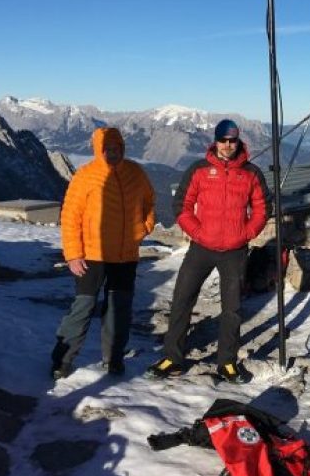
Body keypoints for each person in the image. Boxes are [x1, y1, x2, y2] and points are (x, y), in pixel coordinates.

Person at [146, 119, 270, 384]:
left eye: (232, 140)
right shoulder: (199, 169)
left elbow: (262, 208)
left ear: (238, 142)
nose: (227, 145)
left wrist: (245, 234)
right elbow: (181, 205)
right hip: (201, 248)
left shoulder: (251, 173)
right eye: (223, 140)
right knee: (182, 299)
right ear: (215, 141)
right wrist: (198, 232)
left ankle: (227, 363)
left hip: (234, 251)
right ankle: (173, 358)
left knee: (232, 309)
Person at [51, 127, 156, 379]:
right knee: (83, 307)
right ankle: (61, 361)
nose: (113, 152)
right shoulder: (85, 175)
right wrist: (73, 254)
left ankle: (114, 359)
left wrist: (144, 227)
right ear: (98, 150)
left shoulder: (135, 172)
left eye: (116, 148)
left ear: (122, 148)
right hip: (91, 256)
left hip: (125, 256)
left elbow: (149, 201)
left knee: (119, 308)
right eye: (107, 148)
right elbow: (70, 216)